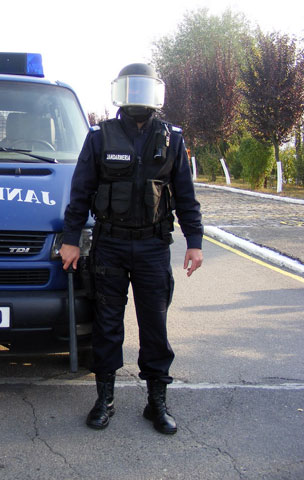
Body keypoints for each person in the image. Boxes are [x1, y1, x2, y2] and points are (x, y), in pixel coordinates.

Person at [60, 63, 203, 435]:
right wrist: (70, 240)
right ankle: (104, 400)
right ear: (120, 92)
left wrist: (195, 242)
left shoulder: (171, 139)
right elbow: (80, 192)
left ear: (156, 93)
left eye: (144, 89)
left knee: (155, 326)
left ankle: (156, 403)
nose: (137, 96)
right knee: (107, 325)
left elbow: (185, 195)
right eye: (132, 89)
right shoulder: (100, 137)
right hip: (110, 245)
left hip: (153, 246)